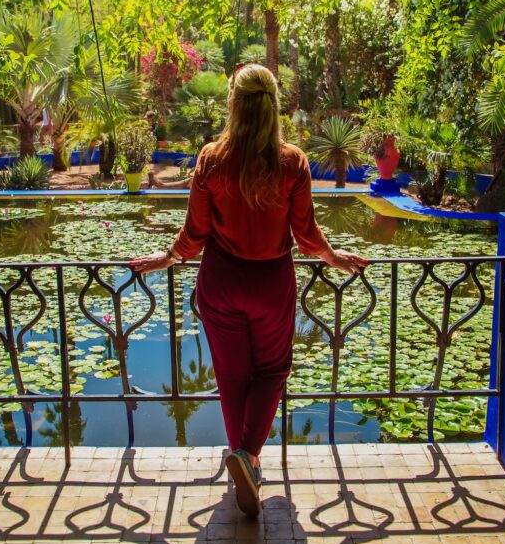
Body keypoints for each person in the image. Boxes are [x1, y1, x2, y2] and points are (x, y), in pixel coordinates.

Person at [130, 64, 367, 517]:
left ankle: (244, 459)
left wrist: (168, 258)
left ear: (233, 105)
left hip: (219, 282)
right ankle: (248, 456)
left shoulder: (211, 159)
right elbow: (306, 234)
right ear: (274, 105)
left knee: (231, 375)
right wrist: (334, 258)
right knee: (274, 369)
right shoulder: (291, 161)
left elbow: (195, 234)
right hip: (270, 283)